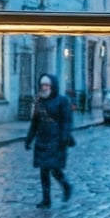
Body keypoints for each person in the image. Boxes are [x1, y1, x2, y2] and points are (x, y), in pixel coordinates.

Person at [24, 73, 74, 209]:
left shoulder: (62, 101)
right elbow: (34, 124)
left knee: (55, 170)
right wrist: (29, 140)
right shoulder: (39, 102)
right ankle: (46, 200)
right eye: (42, 85)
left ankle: (66, 186)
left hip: (56, 141)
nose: (44, 87)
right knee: (44, 171)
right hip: (42, 141)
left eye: (47, 85)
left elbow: (66, 122)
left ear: (53, 86)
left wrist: (64, 138)